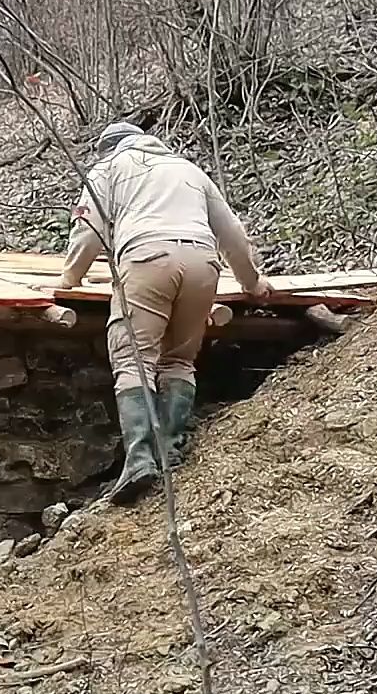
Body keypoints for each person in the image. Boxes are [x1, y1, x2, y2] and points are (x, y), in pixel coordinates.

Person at [58, 122, 272, 503]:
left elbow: (89, 229)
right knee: (179, 359)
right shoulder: (188, 169)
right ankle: (169, 450)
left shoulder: (108, 168)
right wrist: (252, 282)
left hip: (146, 257)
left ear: (108, 147)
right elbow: (232, 233)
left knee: (133, 357)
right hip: (203, 263)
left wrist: (71, 276)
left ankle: (139, 459)